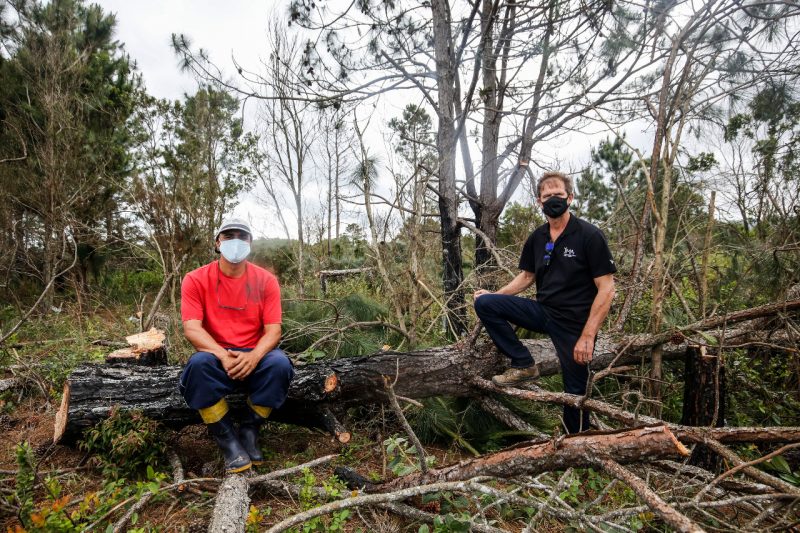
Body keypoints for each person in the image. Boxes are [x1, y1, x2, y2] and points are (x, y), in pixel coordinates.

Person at [473, 171, 616, 433]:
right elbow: (527, 276)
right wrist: (495, 295)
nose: (553, 200)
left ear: (570, 198)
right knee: (486, 305)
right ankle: (523, 363)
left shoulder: (588, 235)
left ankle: (578, 443)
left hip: (575, 324)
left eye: (558, 195)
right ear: (539, 202)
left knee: (574, 391)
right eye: (547, 196)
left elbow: (606, 289)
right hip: (543, 312)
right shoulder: (537, 237)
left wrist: (588, 335)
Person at [179, 217, 294, 473]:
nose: (236, 242)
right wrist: (221, 355)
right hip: (216, 355)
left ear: (250, 244)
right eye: (228, 236)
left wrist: (254, 357)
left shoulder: (265, 281)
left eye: (242, 237)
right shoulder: (195, 279)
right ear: (218, 243)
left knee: (279, 364)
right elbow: (192, 327)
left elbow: (273, 330)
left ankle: (250, 428)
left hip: (255, 355)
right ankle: (226, 436)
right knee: (197, 366)